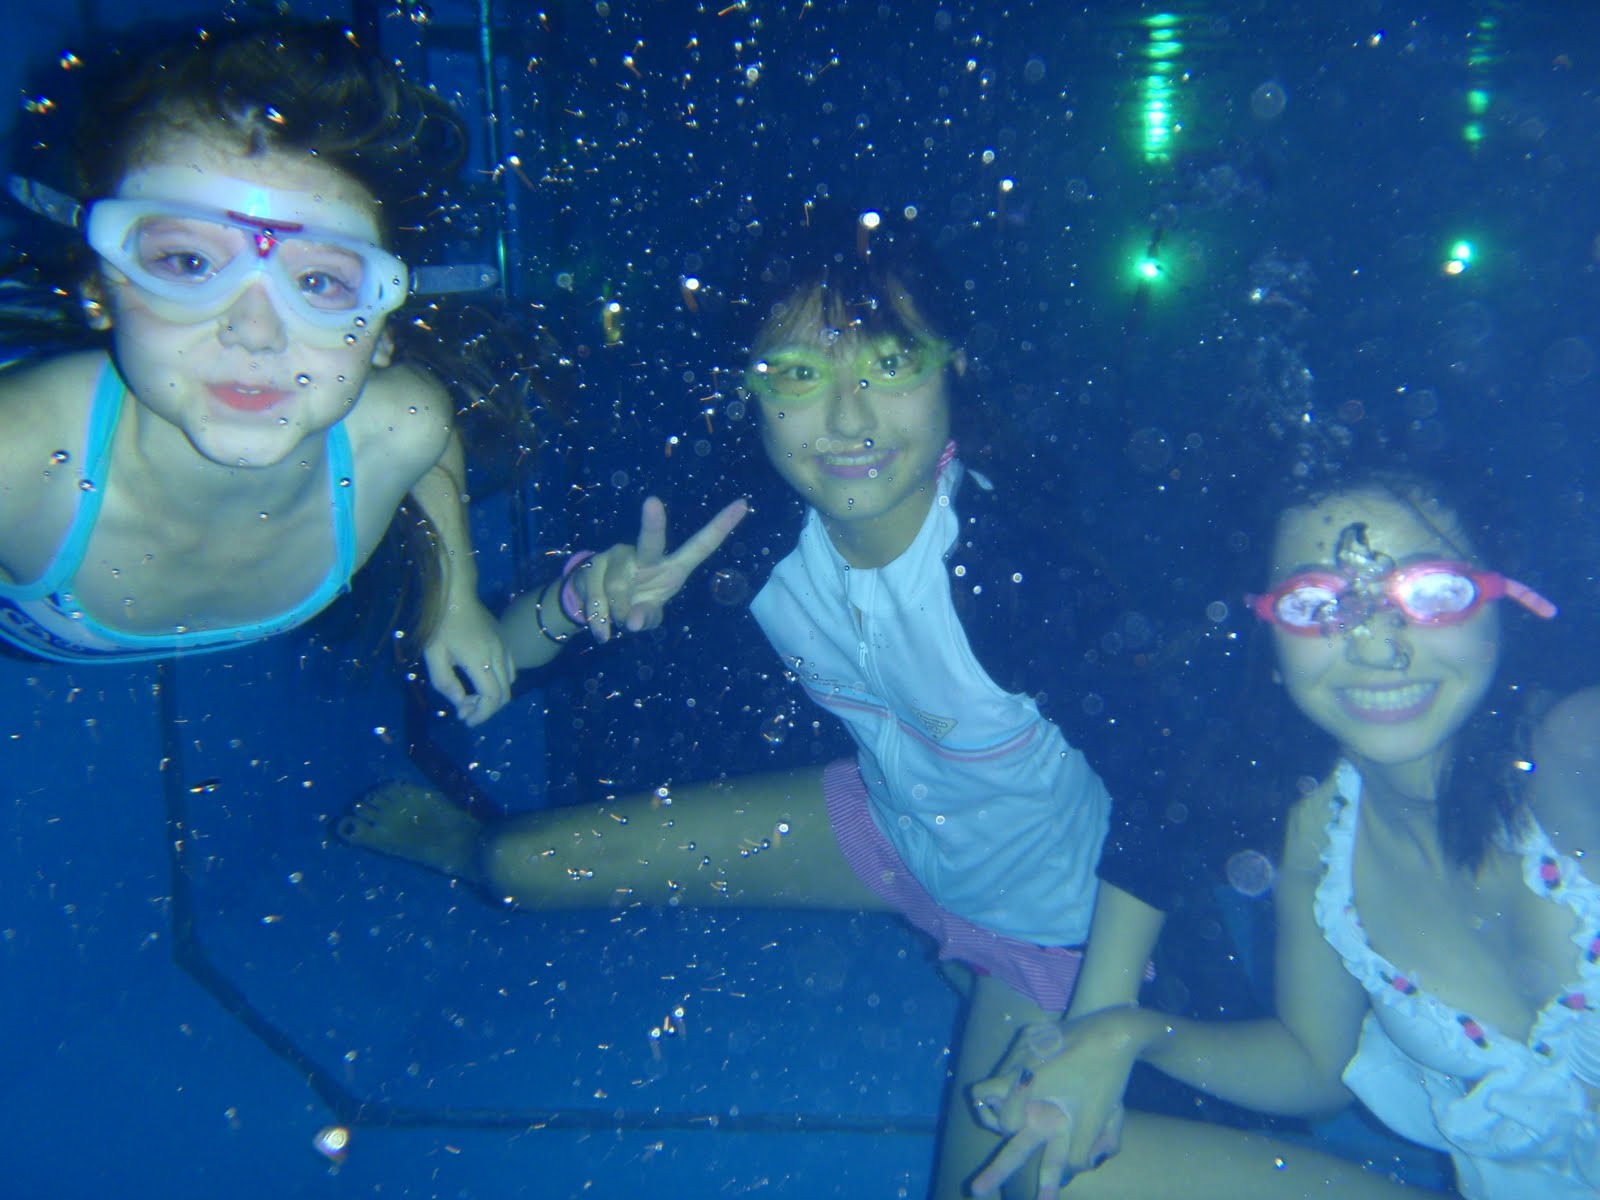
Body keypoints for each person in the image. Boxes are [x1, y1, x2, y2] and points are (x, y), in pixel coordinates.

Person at [339, 206, 1130, 1198]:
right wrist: (581, 599)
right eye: (797, 373)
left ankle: (980, 970)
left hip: (1046, 929)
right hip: (888, 827)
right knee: (515, 866)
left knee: (1006, 1185)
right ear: (750, 391)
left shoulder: (1015, 576)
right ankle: (457, 841)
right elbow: (492, 668)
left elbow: (1164, 794)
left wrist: (1103, 1018)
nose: (846, 420)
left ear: (953, 371)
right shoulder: (752, 534)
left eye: (889, 364)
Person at [970, 472, 1595, 1200]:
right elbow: (1315, 1064)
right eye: (1315, 605)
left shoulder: (1575, 752)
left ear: (1505, 595)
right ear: (1265, 630)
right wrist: (1127, 1034)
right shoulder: (1321, 831)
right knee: (1047, 1172)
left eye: (1431, 593)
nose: (1376, 649)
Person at [0, 23, 515, 724]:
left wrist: (455, 598)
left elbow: (433, 443)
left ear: (383, 330)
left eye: (320, 282)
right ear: (99, 286)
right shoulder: (19, 458)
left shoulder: (404, 423)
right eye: (188, 262)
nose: (256, 331)